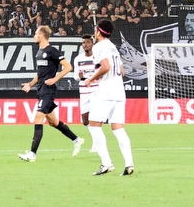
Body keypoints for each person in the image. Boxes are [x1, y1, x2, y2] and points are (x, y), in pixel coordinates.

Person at [18, 25, 85, 162]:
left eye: (36, 33)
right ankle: (77, 140)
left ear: (42, 35)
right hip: (41, 90)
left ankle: (32, 154)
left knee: (38, 119)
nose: (34, 35)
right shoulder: (39, 52)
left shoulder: (52, 51)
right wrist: (30, 84)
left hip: (48, 91)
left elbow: (68, 67)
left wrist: (55, 79)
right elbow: (40, 74)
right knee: (53, 122)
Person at [84, 19, 134, 176]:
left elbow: (106, 67)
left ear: (98, 31)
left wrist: (91, 78)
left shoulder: (99, 47)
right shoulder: (113, 47)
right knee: (118, 128)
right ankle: (129, 164)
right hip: (119, 91)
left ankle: (106, 163)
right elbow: (122, 71)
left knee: (94, 125)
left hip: (106, 91)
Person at [74, 34, 99, 152]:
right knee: (85, 120)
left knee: (94, 117)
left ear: (92, 44)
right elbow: (75, 76)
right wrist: (79, 76)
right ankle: (96, 140)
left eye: (88, 42)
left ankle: (96, 143)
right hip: (83, 90)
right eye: (84, 43)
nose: (86, 45)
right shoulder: (78, 59)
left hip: (95, 88)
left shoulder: (97, 58)